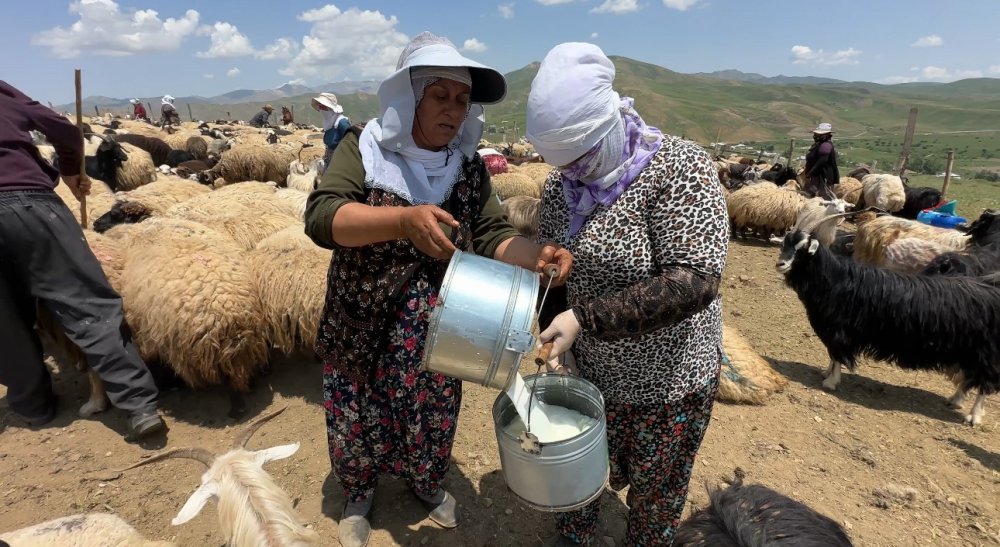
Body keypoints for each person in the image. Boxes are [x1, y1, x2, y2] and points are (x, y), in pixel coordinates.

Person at [304, 32, 573, 547]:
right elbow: (322, 216)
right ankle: (358, 493)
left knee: (431, 411)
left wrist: (531, 254)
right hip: (362, 318)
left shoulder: (466, 168)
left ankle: (425, 482)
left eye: (462, 99)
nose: (453, 109)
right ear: (411, 97)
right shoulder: (366, 148)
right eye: (440, 96)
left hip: (445, 324)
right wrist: (402, 220)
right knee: (357, 410)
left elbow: (493, 232)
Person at [526, 43, 729, 546]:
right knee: (578, 472)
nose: (575, 173)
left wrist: (584, 320)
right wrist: (555, 335)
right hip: (592, 376)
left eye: (583, 158)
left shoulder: (680, 169)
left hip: (669, 379)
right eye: (564, 164)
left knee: (656, 494)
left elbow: (695, 278)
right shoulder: (560, 190)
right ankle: (575, 535)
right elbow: (553, 271)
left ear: (613, 122)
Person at [0, 80, 167, 442]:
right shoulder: (3, 94)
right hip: (24, 199)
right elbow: (60, 126)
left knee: (4, 320)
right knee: (87, 303)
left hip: (20, 199)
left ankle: (33, 405)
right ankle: (138, 406)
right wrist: (72, 168)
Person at [310, 92, 351, 174]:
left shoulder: (342, 123)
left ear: (330, 108)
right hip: (330, 161)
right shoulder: (330, 124)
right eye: (320, 106)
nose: (321, 109)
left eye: (323, 106)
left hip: (341, 165)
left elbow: (350, 145)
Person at [802, 122, 839, 200]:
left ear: (826, 135)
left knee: (824, 197)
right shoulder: (819, 144)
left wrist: (810, 173)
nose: (815, 136)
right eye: (816, 134)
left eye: (818, 135)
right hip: (816, 176)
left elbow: (822, 161)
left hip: (823, 177)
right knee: (810, 195)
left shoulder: (826, 146)